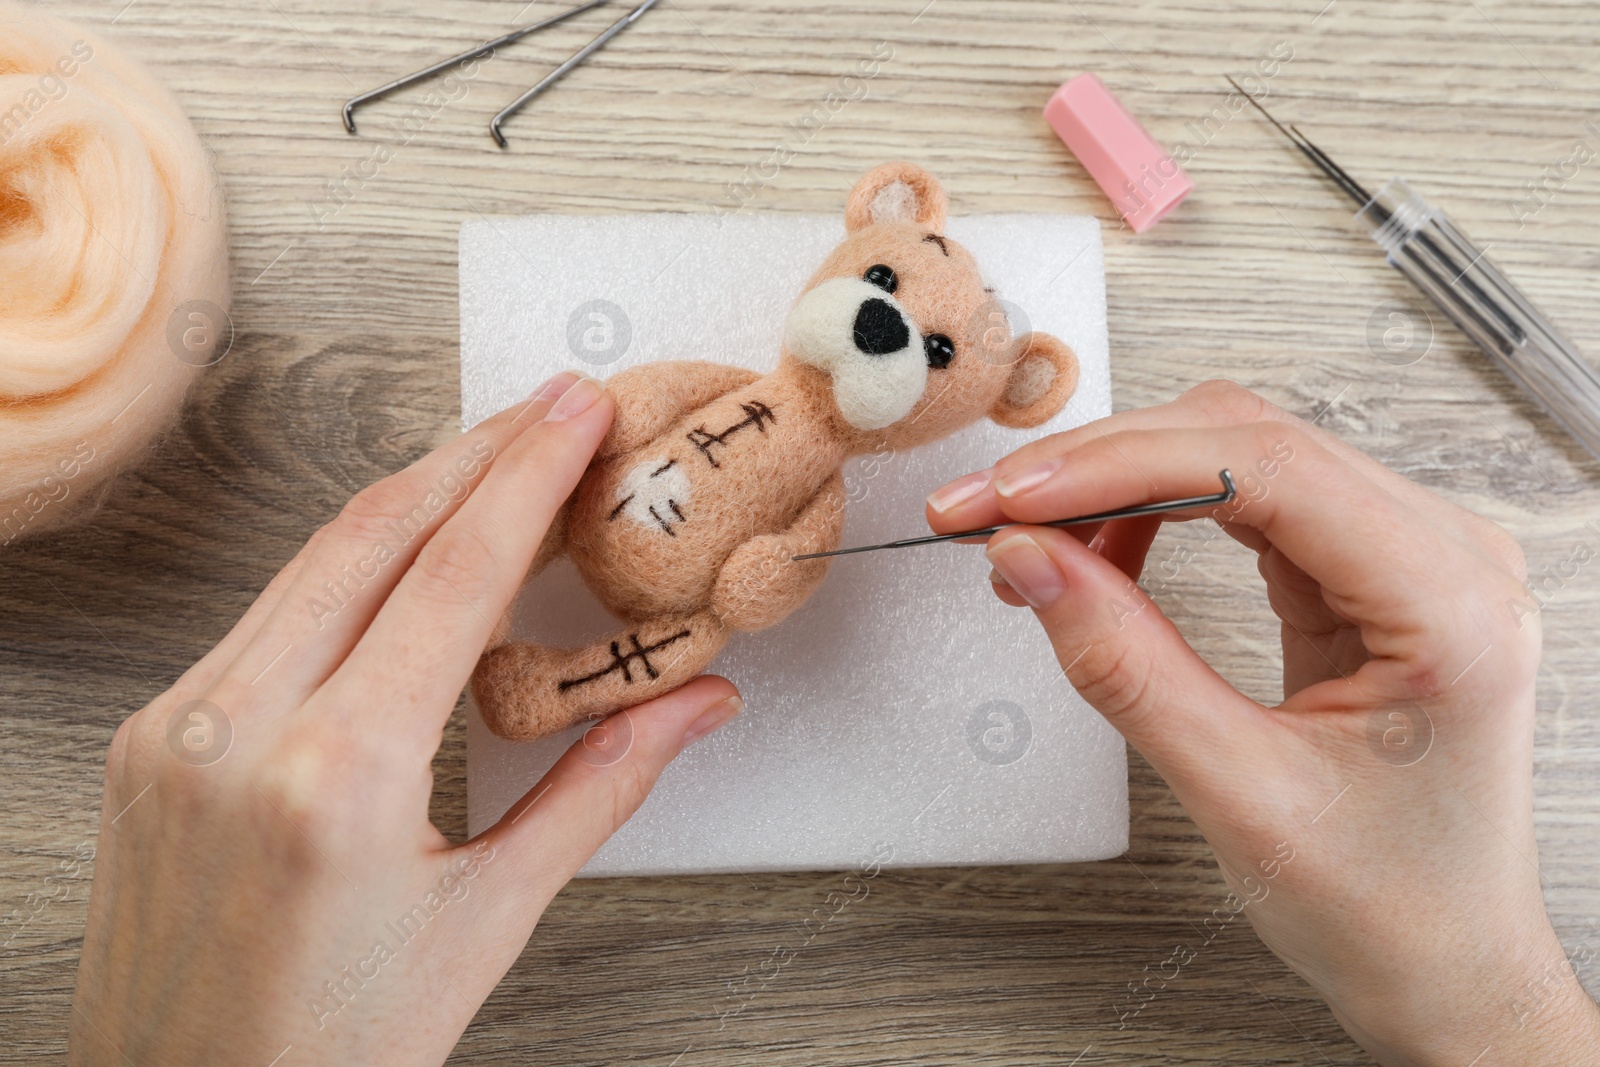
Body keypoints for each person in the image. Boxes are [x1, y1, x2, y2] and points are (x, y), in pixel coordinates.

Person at [69, 373, 1600, 1065]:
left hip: (668, 598)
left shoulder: (824, 483)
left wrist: (1495, 1008)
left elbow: (762, 590)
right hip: (605, 516)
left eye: (934, 355)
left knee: (665, 650)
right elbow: (643, 397)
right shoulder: (745, 386)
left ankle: (548, 682)